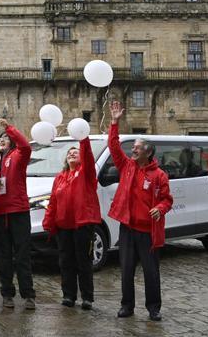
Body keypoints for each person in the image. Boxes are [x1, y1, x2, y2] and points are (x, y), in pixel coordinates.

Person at [108, 101, 174, 322]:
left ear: (148, 152)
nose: (133, 150)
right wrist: (114, 122)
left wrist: (160, 208)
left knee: (151, 272)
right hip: (127, 228)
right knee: (126, 270)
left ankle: (154, 308)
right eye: (133, 147)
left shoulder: (159, 175)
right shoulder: (127, 167)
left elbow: (167, 200)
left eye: (136, 147)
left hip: (147, 232)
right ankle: (127, 306)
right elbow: (114, 147)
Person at [41, 136, 100, 310]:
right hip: (63, 226)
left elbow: (88, 156)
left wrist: (83, 140)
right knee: (66, 262)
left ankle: (87, 298)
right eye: (69, 153)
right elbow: (53, 201)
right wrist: (49, 222)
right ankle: (69, 295)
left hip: (83, 225)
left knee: (83, 262)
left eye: (76, 152)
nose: (72, 154)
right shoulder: (60, 177)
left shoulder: (86, 173)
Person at [0, 118, 34, 309]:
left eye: (6, 138)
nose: (2, 140)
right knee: (3, 255)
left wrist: (8, 128)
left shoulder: (19, 155)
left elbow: (26, 145)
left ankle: (28, 295)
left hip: (18, 211)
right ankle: (7, 294)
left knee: (22, 255)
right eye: (0, 139)